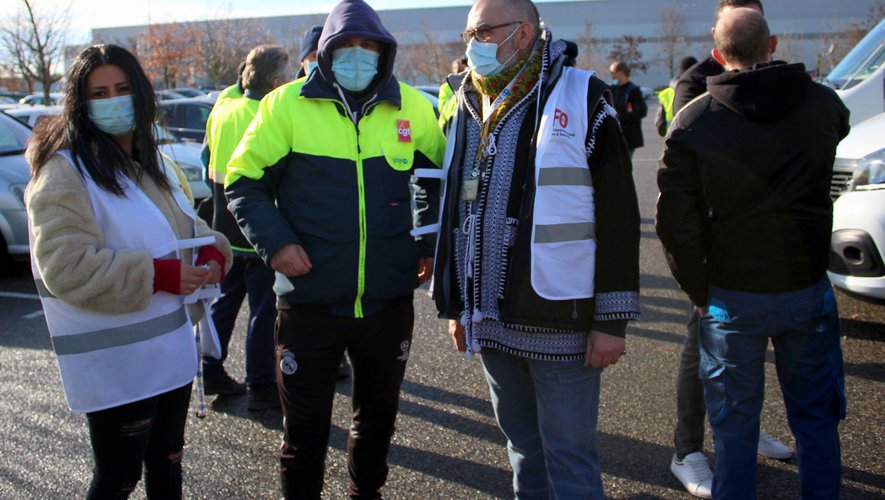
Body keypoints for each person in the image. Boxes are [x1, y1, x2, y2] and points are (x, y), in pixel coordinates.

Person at [224, 0, 445, 497]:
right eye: (347, 47)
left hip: (387, 302)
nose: (359, 56)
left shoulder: (412, 106)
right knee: (303, 435)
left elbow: (436, 183)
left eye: (370, 47)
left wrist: (427, 242)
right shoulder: (286, 105)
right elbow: (242, 181)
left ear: (385, 53)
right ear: (325, 53)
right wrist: (276, 243)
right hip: (308, 302)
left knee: (377, 425)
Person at [433, 0, 640, 497]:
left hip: (559, 320)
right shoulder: (466, 100)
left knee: (569, 459)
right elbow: (455, 211)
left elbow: (618, 214)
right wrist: (457, 306)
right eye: (468, 35)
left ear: (523, 33)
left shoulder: (582, 93)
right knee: (523, 450)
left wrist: (610, 321)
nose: (472, 45)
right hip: (490, 323)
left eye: (482, 31)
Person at [656, 8, 849, 499]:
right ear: (774, 43)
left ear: (718, 55)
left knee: (733, 427)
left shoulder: (696, 120)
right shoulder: (823, 104)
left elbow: (674, 223)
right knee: (816, 420)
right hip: (805, 286)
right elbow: (839, 129)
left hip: (731, 296)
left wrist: (699, 289)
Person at [25, 44, 232, 498]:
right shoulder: (65, 172)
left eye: (122, 88)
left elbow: (185, 224)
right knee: (119, 479)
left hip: (170, 355)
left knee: (168, 465)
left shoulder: (150, 160)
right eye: (98, 93)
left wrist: (213, 251)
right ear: (80, 104)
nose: (113, 100)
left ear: (140, 93)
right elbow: (65, 266)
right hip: (119, 367)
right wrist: (157, 275)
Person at [663, 2, 792, 498]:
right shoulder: (695, 86)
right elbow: (682, 183)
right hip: (714, 259)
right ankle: (687, 450)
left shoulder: (778, 85)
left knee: (748, 352)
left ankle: (739, 430)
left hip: (766, 258)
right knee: (700, 348)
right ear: (718, 33)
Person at [203, 46, 293, 410]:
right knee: (264, 309)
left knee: (224, 305)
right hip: (257, 233)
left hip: (223, 229)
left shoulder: (223, 108)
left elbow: (206, 158)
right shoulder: (268, 114)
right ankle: (260, 383)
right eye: (287, 77)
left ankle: (210, 366)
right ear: (275, 82)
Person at [609, 60, 647, 158]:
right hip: (614, 136)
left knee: (625, 167)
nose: (611, 76)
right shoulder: (611, 89)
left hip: (628, 137)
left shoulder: (633, 90)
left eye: (613, 73)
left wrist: (620, 118)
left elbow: (642, 111)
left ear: (621, 74)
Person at [655, 56, 697, 137]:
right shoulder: (697, 90)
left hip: (671, 138)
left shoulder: (666, 93)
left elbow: (660, 123)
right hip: (693, 139)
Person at [438, 56, 468, 131]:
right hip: (448, 125)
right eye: (456, 68)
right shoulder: (445, 87)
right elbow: (442, 108)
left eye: (461, 69)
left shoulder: (468, 85)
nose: (458, 70)